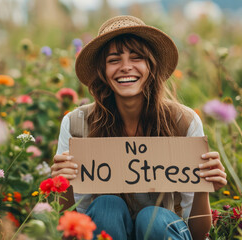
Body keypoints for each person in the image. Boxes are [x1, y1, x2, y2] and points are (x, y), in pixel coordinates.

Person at [51, 15, 227, 240]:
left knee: (152, 218)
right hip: (105, 230)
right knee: (107, 206)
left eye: (137, 57)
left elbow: (200, 234)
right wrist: (64, 185)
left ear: (151, 65)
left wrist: (204, 186)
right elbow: (72, 228)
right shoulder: (77, 124)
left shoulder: (184, 121)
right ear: (102, 71)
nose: (126, 67)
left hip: (163, 232)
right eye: (114, 60)